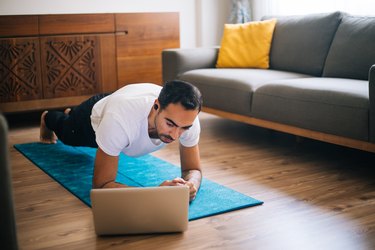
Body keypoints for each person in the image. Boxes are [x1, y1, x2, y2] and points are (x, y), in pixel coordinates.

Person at [39, 80, 203, 201]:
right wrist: (155, 193)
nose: (175, 135)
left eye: (184, 128)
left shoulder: (187, 119)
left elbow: (194, 169)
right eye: (170, 124)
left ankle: (72, 114)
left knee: (102, 129)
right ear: (156, 107)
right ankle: (50, 118)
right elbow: (101, 185)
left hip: (119, 103)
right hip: (95, 115)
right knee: (69, 134)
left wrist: (191, 184)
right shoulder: (119, 120)